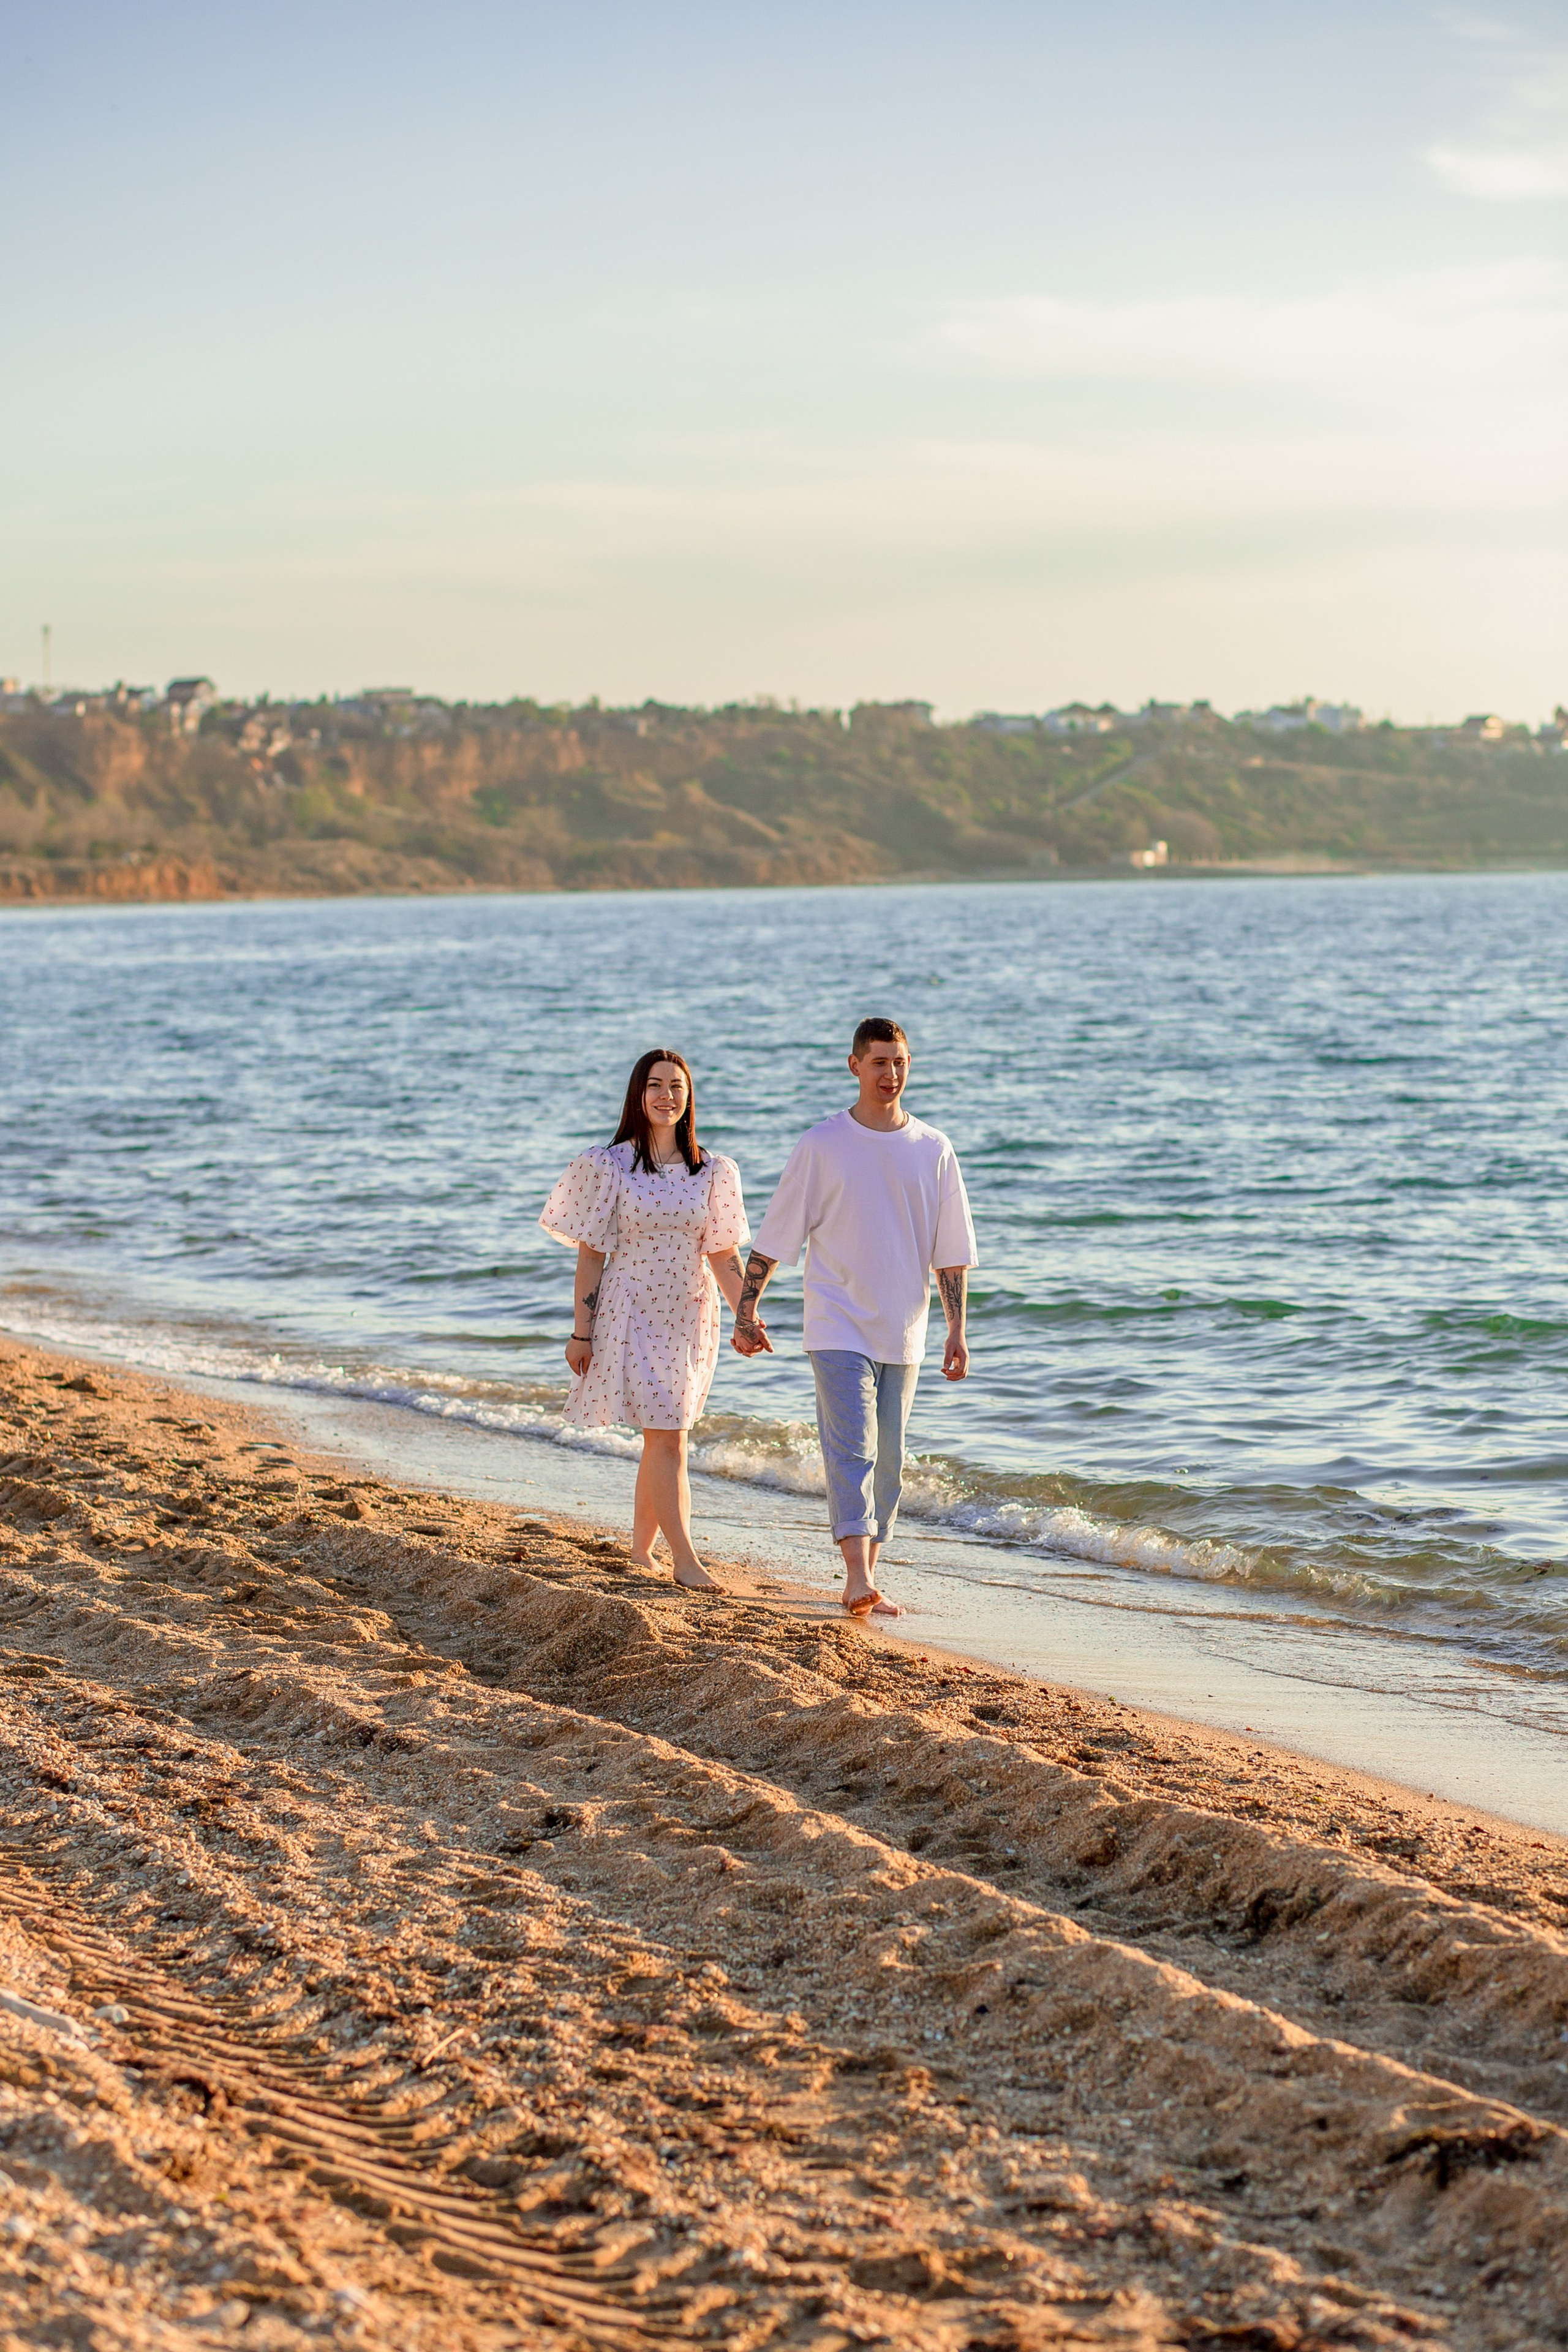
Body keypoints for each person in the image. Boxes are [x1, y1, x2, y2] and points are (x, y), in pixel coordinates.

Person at [733, 1017, 976, 1618]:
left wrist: (956, 1330)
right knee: (852, 1450)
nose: (890, 1074)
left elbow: (951, 1252)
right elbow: (777, 1235)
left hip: (905, 1328)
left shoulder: (933, 1148)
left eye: (899, 1063)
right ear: (854, 1066)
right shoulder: (823, 1144)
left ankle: (871, 1571)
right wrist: (747, 1309)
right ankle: (856, 1575)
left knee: (889, 1462)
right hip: (836, 1322)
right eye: (878, 1063)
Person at [540, 1049, 752, 1590]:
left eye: (676, 1086)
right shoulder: (609, 1166)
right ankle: (685, 1559)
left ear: (689, 1096)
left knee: (664, 1434)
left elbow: (724, 1255)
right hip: (629, 1309)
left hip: (690, 1313)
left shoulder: (714, 1170)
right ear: (638, 1095)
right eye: (655, 1085)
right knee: (669, 1435)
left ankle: (640, 1552)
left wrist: (745, 1314)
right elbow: (591, 1256)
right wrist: (579, 1333)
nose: (666, 1096)